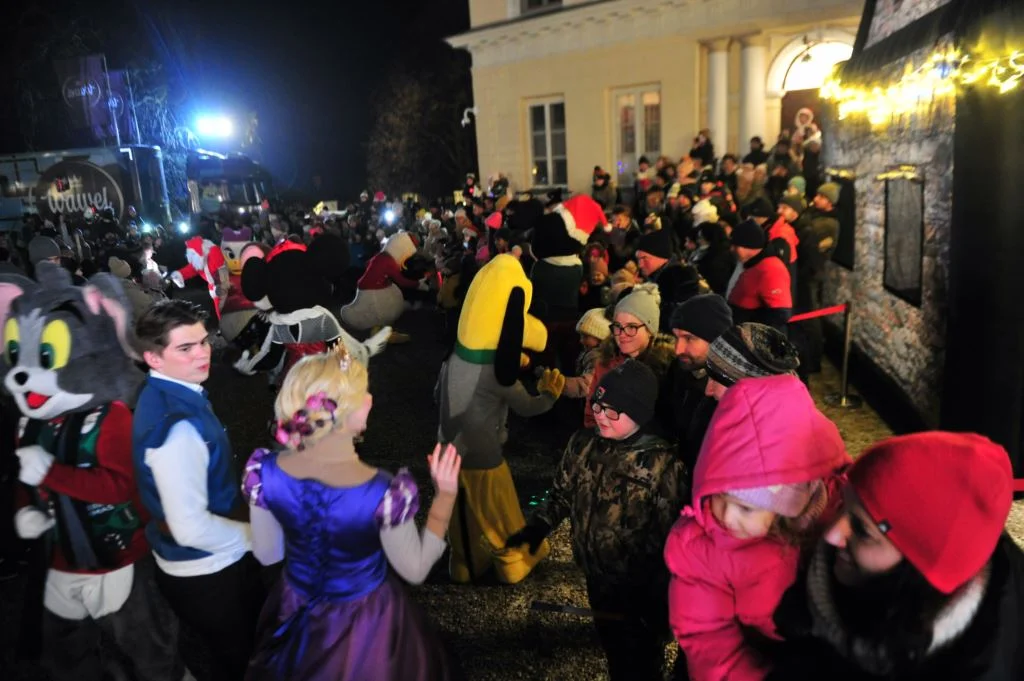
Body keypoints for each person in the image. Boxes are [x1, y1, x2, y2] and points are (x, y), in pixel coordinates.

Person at [243, 347, 460, 680]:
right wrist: (444, 497)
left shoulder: (263, 471)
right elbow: (414, 569)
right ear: (344, 414)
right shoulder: (383, 491)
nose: (371, 398)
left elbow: (269, 553)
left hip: (295, 608)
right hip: (366, 624)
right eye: (364, 394)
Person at [764, 432, 1024, 681]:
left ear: (919, 566)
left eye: (862, 530)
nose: (831, 535)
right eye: (843, 504)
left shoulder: (974, 665)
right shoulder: (847, 569)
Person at [509, 360, 688, 681]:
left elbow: (671, 536)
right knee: (614, 651)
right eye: (597, 405)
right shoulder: (583, 444)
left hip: (639, 590)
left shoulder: (661, 464)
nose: (601, 416)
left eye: (613, 411)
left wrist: (658, 594)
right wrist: (538, 526)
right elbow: (562, 493)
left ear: (639, 412)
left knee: (639, 661)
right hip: (596, 576)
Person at [665, 375, 850, 681]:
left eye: (746, 508)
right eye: (719, 496)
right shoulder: (700, 546)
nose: (725, 516)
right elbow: (709, 640)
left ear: (786, 508)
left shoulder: (835, 514)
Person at [132, 300, 266, 680]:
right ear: (153, 359)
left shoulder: (170, 395)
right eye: (185, 348)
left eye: (204, 342)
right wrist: (257, 535)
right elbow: (190, 528)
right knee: (241, 660)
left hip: (201, 564)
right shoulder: (177, 428)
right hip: (208, 570)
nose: (203, 354)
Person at [666, 294, 733, 471]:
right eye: (676, 337)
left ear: (717, 340)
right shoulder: (679, 369)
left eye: (689, 338)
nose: (678, 349)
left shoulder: (731, 392)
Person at [727, 219, 793, 331]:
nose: (731, 249)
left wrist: (751, 332)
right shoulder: (749, 264)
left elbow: (780, 314)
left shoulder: (771, 269)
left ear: (748, 247)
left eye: (736, 246)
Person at [563, 307, 612, 399]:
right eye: (581, 336)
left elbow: (588, 385)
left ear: (601, 337)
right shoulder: (590, 352)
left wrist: (561, 384)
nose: (581, 341)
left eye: (585, 336)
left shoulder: (598, 357)